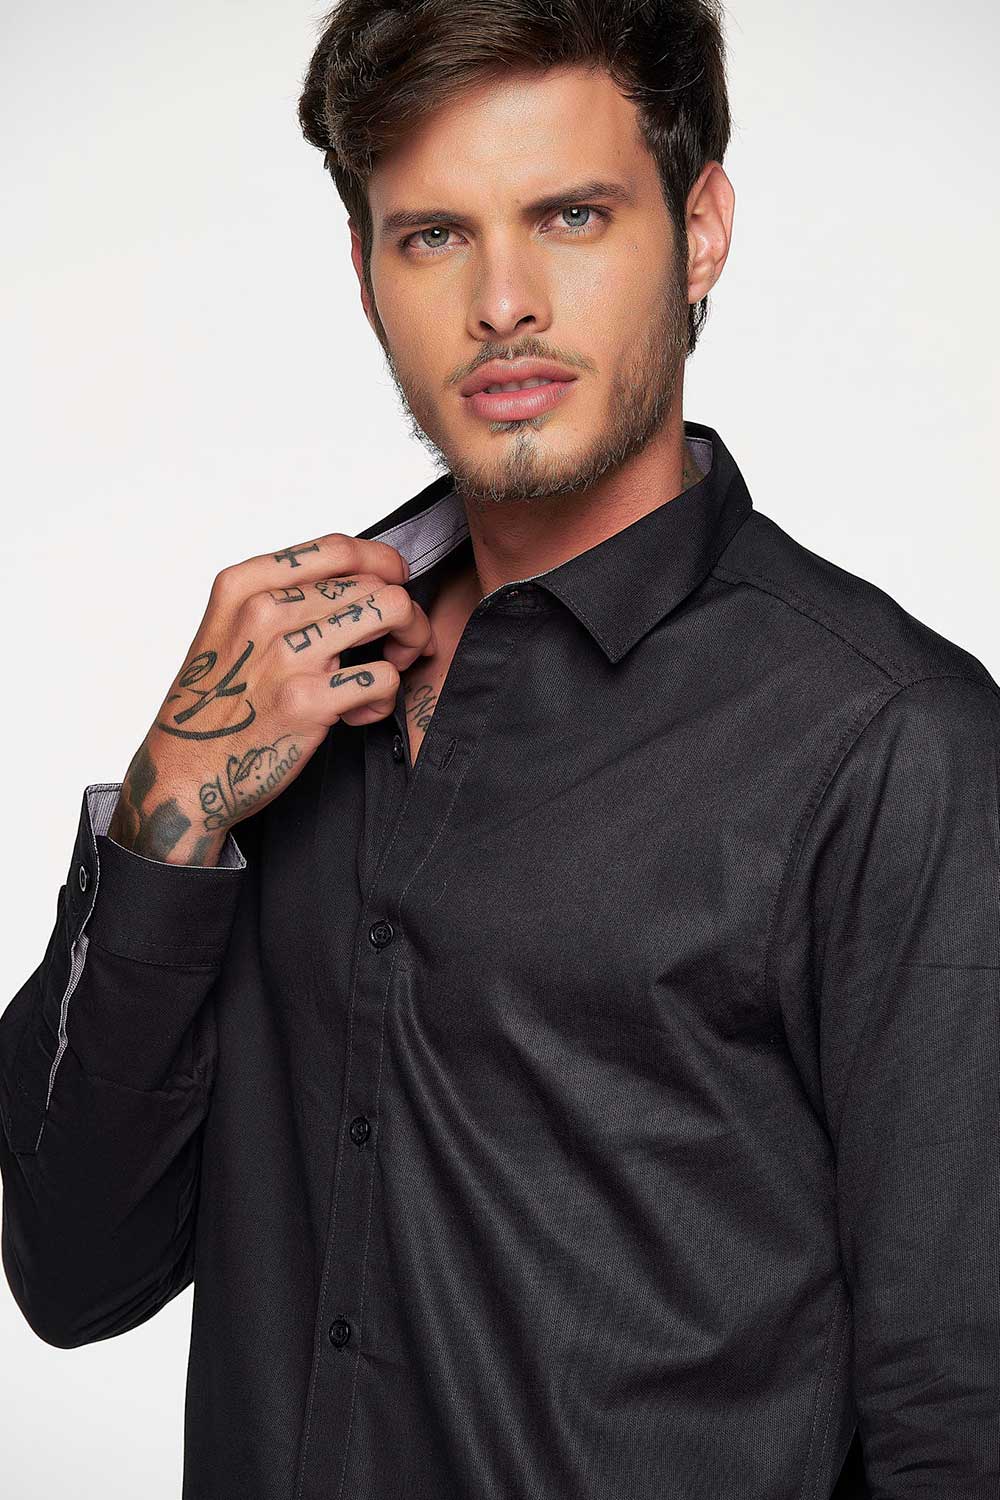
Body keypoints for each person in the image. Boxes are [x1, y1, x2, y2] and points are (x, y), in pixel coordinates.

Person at [1, 1, 997, 1495]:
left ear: (700, 231)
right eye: (433, 236)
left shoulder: (890, 742)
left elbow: (961, 1411)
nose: (503, 303)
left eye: (572, 215)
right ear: (365, 274)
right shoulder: (281, 694)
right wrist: (171, 812)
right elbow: (74, 1274)